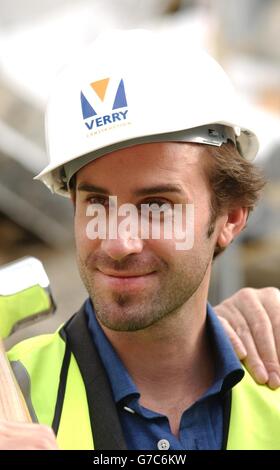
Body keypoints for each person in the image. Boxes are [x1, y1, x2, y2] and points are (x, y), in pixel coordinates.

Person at [2, 30, 280, 450]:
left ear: (231, 216)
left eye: (156, 206)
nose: (117, 243)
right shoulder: (11, 397)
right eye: (96, 202)